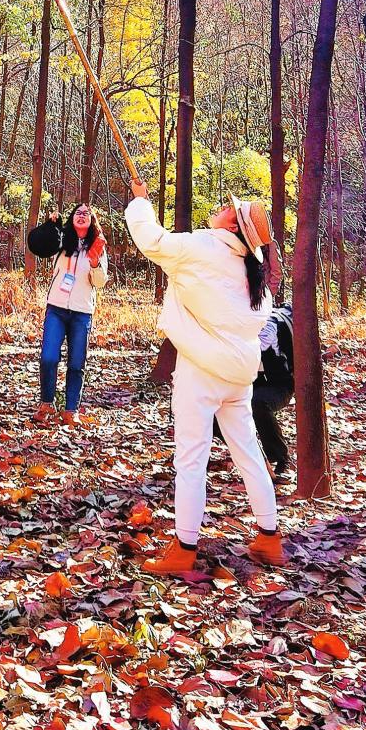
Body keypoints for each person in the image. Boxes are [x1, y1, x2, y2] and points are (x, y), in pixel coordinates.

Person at [125, 179, 286, 575]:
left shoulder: (205, 246)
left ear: (233, 226)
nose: (222, 208)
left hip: (200, 370)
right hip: (238, 376)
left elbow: (152, 241)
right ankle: (269, 537)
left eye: (230, 210)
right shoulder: (252, 273)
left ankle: (184, 549)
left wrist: (141, 202)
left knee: (191, 458)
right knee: (248, 452)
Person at [27, 203, 108, 427]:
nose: (81, 216)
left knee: (76, 363)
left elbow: (100, 282)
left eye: (86, 214)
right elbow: (40, 246)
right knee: (49, 357)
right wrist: (50, 224)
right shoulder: (62, 240)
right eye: (77, 213)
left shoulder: (98, 245)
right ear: (72, 218)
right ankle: (46, 404)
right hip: (56, 308)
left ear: (92, 220)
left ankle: (71, 411)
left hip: (82, 313)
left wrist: (95, 262)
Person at [252, 304, 295, 478]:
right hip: (247, 380)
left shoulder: (274, 328)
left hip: (280, 383)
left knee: (257, 402)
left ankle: (279, 457)